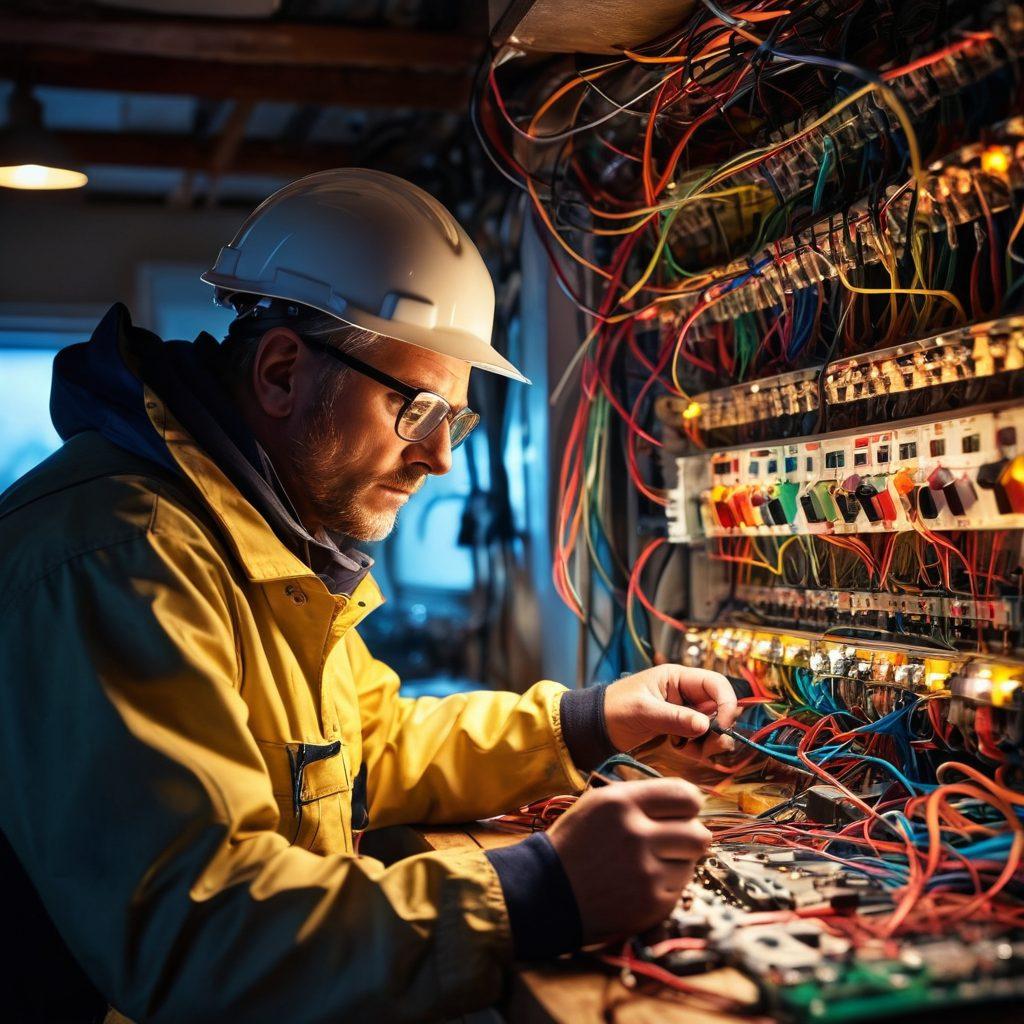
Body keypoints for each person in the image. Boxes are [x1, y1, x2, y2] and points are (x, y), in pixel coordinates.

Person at [0, 169, 738, 1023]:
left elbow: (363, 747)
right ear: (281, 372)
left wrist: (588, 718)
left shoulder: (257, 536)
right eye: (420, 410)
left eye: (454, 422)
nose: (441, 460)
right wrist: (533, 891)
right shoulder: (125, 559)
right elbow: (196, 934)